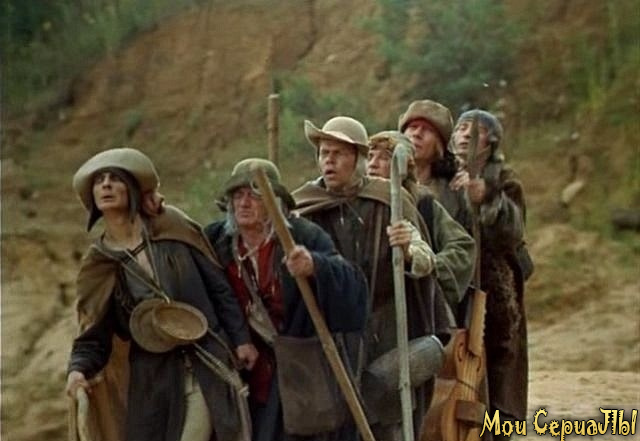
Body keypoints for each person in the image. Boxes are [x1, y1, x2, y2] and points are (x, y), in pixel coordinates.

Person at [65, 147, 258, 441]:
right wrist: (78, 370)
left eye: (115, 179)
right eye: (99, 181)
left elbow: (218, 287)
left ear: (132, 189)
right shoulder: (100, 263)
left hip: (206, 360)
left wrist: (241, 339)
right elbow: (94, 333)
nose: (106, 185)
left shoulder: (173, 226)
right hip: (154, 379)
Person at [293, 116, 455, 441]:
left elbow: (425, 259)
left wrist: (407, 249)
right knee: (334, 422)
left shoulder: (388, 198)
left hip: (384, 327)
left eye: (338, 153)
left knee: (386, 418)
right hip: (332, 331)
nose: (329, 161)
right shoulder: (303, 207)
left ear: (357, 158)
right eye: (324, 153)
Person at [204, 158, 368, 441]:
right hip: (246, 368)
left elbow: (353, 287)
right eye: (238, 195)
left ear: (275, 203)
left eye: (255, 195)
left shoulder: (303, 236)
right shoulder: (217, 241)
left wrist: (315, 266)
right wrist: (238, 338)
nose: (244, 203)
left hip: (298, 369)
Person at [450, 110, 532, 438]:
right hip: (457, 281)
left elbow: (514, 230)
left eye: (476, 130)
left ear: (491, 140)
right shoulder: (444, 174)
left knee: (498, 365)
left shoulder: (505, 180)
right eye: (461, 128)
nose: (466, 134)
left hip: (496, 287)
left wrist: (486, 197)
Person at [367, 130, 475, 312]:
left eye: (384, 158)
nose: (373, 164)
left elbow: (462, 248)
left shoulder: (423, 203)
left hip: (416, 307)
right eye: (370, 156)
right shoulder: (357, 203)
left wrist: (427, 267)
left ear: (404, 166)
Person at [398, 99, 473, 231]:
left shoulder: (454, 191)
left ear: (439, 146)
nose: (417, 134)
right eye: (413, 127)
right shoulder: (381, 178)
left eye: (427, 130)